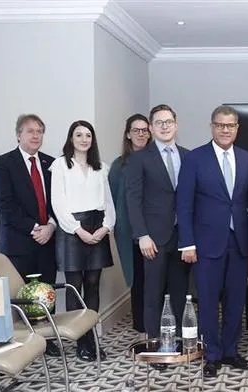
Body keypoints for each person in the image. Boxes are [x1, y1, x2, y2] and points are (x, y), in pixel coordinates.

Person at [176, 105, 248, 378]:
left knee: (236, 299)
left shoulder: (247, 160)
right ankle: (211, 354)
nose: (225, 130)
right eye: (220, 125)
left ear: (237, 128)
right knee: (208, 301)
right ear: (212, 126)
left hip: (239, 243)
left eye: (230, 125)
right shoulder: (195, 159)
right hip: (206, 244)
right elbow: (184, 204)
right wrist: (187, 243)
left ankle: (230, 351)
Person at [125, 104, 190, 370]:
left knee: (179, 294)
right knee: (152, 295)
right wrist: (142, 235)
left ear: (176, 124)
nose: (164, 126)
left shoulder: (188, 156)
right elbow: (133, 199)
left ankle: (176, 344)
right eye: (159, 122)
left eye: (169, 121)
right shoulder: (139, 158)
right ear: (151, 128)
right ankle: (155, 348)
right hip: (153, 238)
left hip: (182, 237)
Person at [0, 114, 61, 356]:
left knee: (46, 292)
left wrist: (50, 226)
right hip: (19, 243)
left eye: (40, 131)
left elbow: (58, 202)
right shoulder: (3, 163)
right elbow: (6, 205)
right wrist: (35, 228)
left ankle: (47, 340)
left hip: (48, 240)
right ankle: (25, 344)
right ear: (18, 135)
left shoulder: (52, 164)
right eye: (30, 131)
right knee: (20, 297)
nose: (35, 135)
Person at [50, 120, 115, 362]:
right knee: (74, 287)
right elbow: (59, 204)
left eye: (88, 135)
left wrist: (106, 226)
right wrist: (78, 230)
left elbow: (108, 202)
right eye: (79, 135)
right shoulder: (60, 166)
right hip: (72, 231)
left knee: (93, 283)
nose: (84, 139)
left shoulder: (101, 167)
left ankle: (92, 339)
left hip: (97, 227)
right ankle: (81, 343)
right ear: (71, 138)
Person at [108, 114, 151, 338]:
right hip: (131, 234)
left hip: (157, 232)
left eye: (145, 130)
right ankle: (142, 329)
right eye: (136, 130)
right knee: (139, 281)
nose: (141, 134)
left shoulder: (157, 160)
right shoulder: (119, 166)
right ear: (128, 134)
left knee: (159, 282)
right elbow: (113, 201)